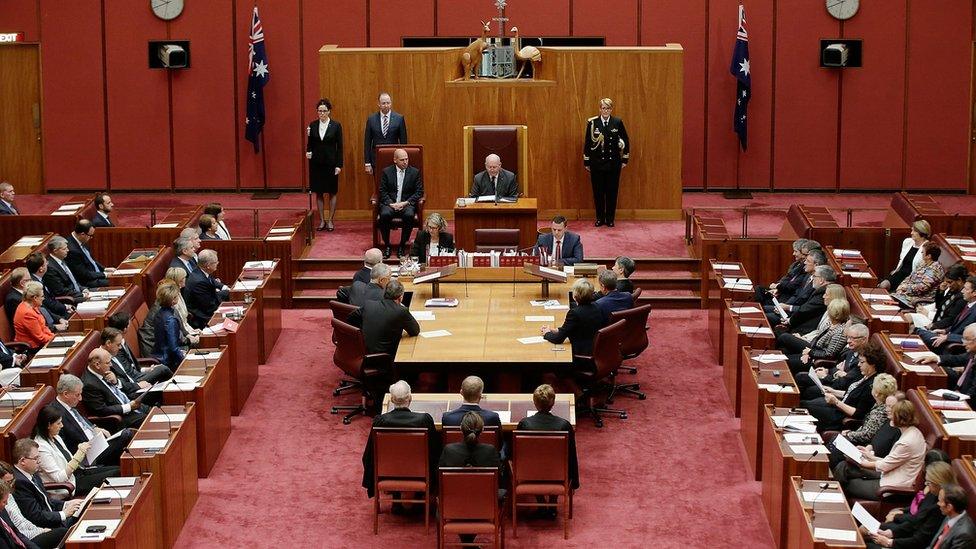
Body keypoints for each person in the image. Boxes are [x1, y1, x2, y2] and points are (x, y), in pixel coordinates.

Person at [834, 399, 926, 501]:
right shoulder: (913, 432)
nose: (889, 417)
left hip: (892, 484)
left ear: (900, 417)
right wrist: (870, 456)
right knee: (844, 466)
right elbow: (892, 461)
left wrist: (861, 461)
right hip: (889, 472)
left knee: (848, 484)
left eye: (892, 414)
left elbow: (884, 465)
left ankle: (837, 503)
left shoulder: (906, 442)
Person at [361, 381, 438, 499]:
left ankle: (396, 495)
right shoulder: (424, 420)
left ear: (391, 399)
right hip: (420, 473)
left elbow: (369, 455)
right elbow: (434, 451)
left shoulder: (380, 421)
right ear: (410, 398)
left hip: (388, 472)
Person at [438, 412, 503, 546]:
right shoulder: (490, 451)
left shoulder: (449, 450)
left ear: (460, 428)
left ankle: (466, 541)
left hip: (453, 505)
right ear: (482, 429)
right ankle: (468, 541)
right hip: (484, 506)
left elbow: (438, 479)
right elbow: (500, 479)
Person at [864, 460, 955, 549]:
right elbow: (916, 520)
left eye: (929, 482)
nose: (925, 484)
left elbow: (920, 540)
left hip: (912, 543)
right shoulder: (933, 494)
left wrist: (889, 542)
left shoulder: (940, 508)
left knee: (866, 544)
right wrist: (891, 533)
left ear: (939, 484)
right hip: (906, 534)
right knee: (864, 530)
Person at [31, 405, 118, 497]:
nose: (62, 426)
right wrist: (79, 455)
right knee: (115, 474)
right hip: (69, 485)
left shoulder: (55, 436)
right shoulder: (41, 448)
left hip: (78, 473)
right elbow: (59, 478)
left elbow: (68, 459)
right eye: (58, 423)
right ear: (48, 425)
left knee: (117, 469)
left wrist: (81, 450)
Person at [802, 340, 883, 431]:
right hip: (839, 405)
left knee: (804, 406)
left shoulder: (872, 386)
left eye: (862, 362)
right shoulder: (865, 376)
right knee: (805, 401)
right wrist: (833, 391)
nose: (858, 364)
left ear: (872, 364)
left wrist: (836, 402)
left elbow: (858, 413)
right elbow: (851, 394)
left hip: (840, 416)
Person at [52, 374, 134, 465]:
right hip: (88, 455)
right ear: (66, 394)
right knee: (126, 434)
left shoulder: (69, 404)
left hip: (97, 442)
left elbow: (82, 422)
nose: (80, 398)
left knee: (127, 435)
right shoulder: (56, 415)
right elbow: (64, 446)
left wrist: (94, 428)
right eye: (78, 395)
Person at [516, 384, 580, 491]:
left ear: (535, 402)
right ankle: (553, 500)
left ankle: (540, 500)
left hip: (530, 472)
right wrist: (574, 483)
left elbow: (518, 454)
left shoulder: (524, 424)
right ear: (553, 402)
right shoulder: (564, 425)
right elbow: (571, 456)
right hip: (557, 472)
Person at [827, 374, 897, 468]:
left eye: (873, 387)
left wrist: (850, 434)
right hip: (862, 437)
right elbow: (866, 425)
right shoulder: (878, 404)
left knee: (836, 445)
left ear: (876, 393)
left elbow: (866, 435)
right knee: (835, 440)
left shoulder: (881, 412)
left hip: (865, 445)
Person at [10, 439, 82, 529]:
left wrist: (66, 504)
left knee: (83, 510)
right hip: (45, 528)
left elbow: (46, 500)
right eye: (36, 458)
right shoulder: (19, 482)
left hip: (53, 518)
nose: (39, 461)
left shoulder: (32, 473)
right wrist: (64, 514)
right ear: (23, 461)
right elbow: (35, 516)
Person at [583, 97, 630, 227]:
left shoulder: (617, 122)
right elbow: (588, 142)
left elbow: (625, 140)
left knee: (612, 192)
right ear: (600, 109)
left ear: (611, 109)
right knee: (598, 192)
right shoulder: (593, 123)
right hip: (597, 164)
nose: (605, 110)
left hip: (613, 164)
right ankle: (599, 218)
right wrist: (587, 161)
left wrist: (625, 158)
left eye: (608, 108)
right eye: (603, 108)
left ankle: (610, 219)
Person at [0, 460, 64, 549]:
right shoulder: (2, 504)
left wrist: (40, 531)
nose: (11, 485)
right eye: (7, 482)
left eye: (12, 481)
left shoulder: (9, 495)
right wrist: (40, 532)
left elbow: (22, 522)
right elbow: (17, 533)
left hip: (28, 536)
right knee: (63, 532)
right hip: (26, 538)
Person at [346, 280, 419, 356]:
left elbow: (350, 318)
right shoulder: (401, 311)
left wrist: (366, 327)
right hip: (385, 357)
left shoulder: (369, 305)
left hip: (364, 351)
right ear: (400, 298)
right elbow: (415, 331)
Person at [780, 297, 850, 374]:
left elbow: (829, 354)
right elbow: (817, 339)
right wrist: (808, 352)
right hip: (813, 352)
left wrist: (811, 353)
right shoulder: (830, 324)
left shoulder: (839, 333)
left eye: (830, 309)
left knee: (784, 361)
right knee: (783, 353)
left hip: (817, 360)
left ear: (835, 314)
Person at [81, 349, 147, 428]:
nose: (111, 365)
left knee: (156, 410)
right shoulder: (89, 385)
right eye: (108, 363)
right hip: (121, 416)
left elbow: (124, 379)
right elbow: (101, 410)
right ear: (97, 365)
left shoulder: (103, 369)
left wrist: (116, 381)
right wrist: (129, 407)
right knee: (148, 420)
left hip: (131, 402)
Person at [378, 148, 424, 259]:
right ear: (395, 160)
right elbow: (382, 191)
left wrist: (405, 203)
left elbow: (419, 192)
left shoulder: (414, 172)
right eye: (402, 160)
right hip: (390, 204)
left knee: (409, 215)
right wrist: (390, 203)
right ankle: (387, 246)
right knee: (384, 215)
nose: (405, 162)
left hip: (406, 204)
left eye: (407, 159)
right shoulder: (386, 172)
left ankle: (402, 246)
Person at [541, 279, 604, 357]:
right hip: (597, 350)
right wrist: (556, 330)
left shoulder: (574, 313)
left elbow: (558, 339)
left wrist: (547, 333)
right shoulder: (597, 306)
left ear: (575, 296)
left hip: (581, 352)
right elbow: (575, 327)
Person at [306, 98, 343, 232]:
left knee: (332, 192)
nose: (321, 113)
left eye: (324, 111)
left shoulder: (336, 126)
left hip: (331, 164)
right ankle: (322, 220)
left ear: (329, 111)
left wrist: (339, 165)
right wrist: (308, 152)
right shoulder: (312, 125)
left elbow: (340, 147)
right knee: (319, 192)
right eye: (319, 111)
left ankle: (330, 220)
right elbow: (310, 144)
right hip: (317, 164)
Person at [104, 314, 173, 384]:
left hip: (138, 374)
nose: (120, 347)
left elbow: (132, 366)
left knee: (161, 371)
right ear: (125, 329)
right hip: (135, 381)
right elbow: (128, 373)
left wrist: (147, 369)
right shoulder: (114, 350)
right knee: (163, 369)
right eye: (128, 324)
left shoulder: (121, 341)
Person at [919, 324, 976, 399]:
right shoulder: (972, 353)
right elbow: (957, 359)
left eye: (967, 339)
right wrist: (936, 358)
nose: (963, 343)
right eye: (963, 339)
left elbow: (973, 392)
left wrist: (960, 398)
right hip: (959, 389)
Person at [5, 268, 67, 334]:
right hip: (40, 333)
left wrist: (59, 319)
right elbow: (31, 326)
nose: (32, 281)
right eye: (30, 279)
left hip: (49, 326)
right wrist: (55, 327)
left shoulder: (29, 292)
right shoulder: (13, 300)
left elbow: (44, 309)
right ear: (23, 283)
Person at [756, 239, 817, 305]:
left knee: (763, 302)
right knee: (758, 289)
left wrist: (778, 287)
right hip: (782, 290)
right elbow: (787, 277)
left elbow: (793, 286)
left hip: (788, 296)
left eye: (796, 251)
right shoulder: (796, 264)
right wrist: (777, 287)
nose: (793, 254)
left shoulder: (806, 270)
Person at [363, 92, 408, 175]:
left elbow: (403, 142)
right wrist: (367, 163)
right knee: (379, 187)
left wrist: (403, 160)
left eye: (388, 103)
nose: (386, 105)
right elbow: (367, 142)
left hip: (394, 160)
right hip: (377, 160)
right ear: (379, 104)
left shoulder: (399, 119)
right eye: (383, 103)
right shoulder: (371, 119)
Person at [184, 249, 229, 329]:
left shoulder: (201, 271)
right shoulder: (199, 282)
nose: (217, 263)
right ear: (208, 265)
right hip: (203, 318)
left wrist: (225, 290)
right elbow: (210, 306)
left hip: (208, 307)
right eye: (216, 262)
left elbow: (212, 282)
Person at [880, 220, 931, 291]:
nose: (911, 233)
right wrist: (896, 270)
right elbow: (901, 261)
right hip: (899, 274)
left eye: (914, 231)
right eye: (911, 230)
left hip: (910, 279)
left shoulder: (927, 248)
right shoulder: (907, 242)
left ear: (922, 233)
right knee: (883, 285)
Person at [893, 242, 945, 307]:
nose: (921, 254)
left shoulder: (935, 270)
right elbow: (910, 277)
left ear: (929, 256)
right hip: (908, 294)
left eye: (923, 252)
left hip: (919, 300)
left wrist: (905, 288)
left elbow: (922, 288)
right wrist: (901, 286)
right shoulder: (923, 263)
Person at [24, 253, 74, 320]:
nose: (48, 264)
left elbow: (51, 299)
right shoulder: (35, 285)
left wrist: (65, 306)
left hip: (57, 310)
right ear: (41, 269)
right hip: (53, 316)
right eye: (46, 263)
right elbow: (48, 304)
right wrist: (64, 308)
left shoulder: (40, 278)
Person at [151, 284, 186, 368]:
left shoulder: (159, 313)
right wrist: (185, 359)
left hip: (158, 354)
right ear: (173, 300)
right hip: (168, 361)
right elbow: (173, 348)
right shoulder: (171, 320)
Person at [65, 220, 108, 288]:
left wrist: (105, 269)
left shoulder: (81, 240)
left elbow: (91, 260)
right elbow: (83, 274)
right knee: (118, 281)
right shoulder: (72, 250)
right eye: (90, 235)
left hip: (95, 275)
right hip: (88, 282)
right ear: (82, 234)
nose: (91, 238)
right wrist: (104, 274)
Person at [12, 282, 54, 350]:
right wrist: (54, 339)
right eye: (42, 296)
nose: (44, 298)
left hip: (41, 343)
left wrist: (53, 336)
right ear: (35, 298)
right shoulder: (27, 313)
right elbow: (40, 338)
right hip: (31, 348)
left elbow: (43, 327)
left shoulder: (32, 305)